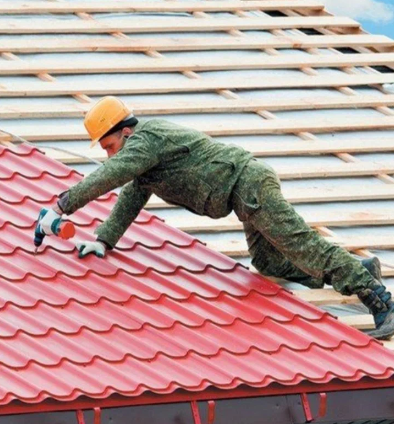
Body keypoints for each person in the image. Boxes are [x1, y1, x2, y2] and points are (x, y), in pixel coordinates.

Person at [39, 96, 394, 340]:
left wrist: (61, 206)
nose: (109, 155)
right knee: (268, 262)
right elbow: (131, 195)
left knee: (304, 247)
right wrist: (104, 240)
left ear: (126, 132)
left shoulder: (146, 140)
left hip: (248, 185)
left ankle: (381, 302)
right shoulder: (145, 159)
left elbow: (110, 176)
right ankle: (358, 270)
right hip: (242, 193)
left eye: (109, 146)